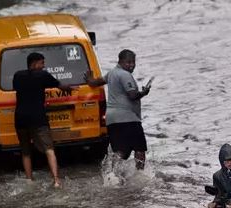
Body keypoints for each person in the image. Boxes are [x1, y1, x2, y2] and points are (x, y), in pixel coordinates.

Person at [84, 49, 150, 170]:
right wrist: (144, 92)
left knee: (120, 151)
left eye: (133, 62)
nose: (131, 65)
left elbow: (94, 82)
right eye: (128, 62)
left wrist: (89, 79)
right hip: (128, 118)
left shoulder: (112, 73)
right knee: (139, 148)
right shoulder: (125, 75)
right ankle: (140, 174)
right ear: (120, 61)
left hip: (112, 119)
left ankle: (112, 174)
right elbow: (132, 95)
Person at [13, 52, 72, 188]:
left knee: (26, 151)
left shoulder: (17, 75)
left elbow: (17, 88)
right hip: (38, 117)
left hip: (20, 118)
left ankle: (29, 179)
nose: (44, 66)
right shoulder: (43, 75)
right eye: (42, 63)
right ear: (34, 64)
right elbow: (60, 86)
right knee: (49, 148)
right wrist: (70, 88)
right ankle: (56, 180)